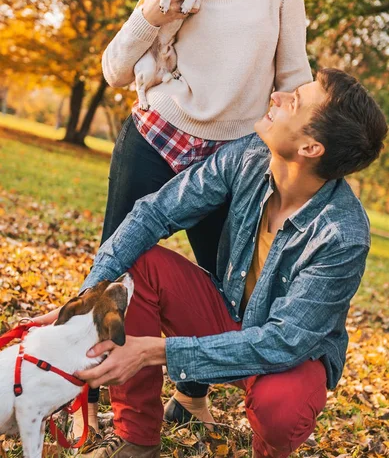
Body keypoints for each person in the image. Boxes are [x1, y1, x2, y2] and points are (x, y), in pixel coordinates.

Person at [82, 0, 313, 434]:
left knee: (218, 283)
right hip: (158, 137)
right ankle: (92, 387)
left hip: (233, 158)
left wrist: (302, 147)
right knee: (119, 268)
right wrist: (151, 12)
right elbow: (115, 70)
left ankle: (190, 396)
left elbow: (294, 74)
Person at [49, 68, 385, 458]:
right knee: (134, 269)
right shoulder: (247, 155)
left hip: (289, 357)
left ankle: (267, 451)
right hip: (225, 315)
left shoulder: (343, 234)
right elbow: (154, 214)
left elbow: (283, 342)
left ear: (311, 148)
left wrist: (154, 350)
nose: (277, 96)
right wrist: (88, 294)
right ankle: (137, 439)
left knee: (282, 408)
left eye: (294, 101)